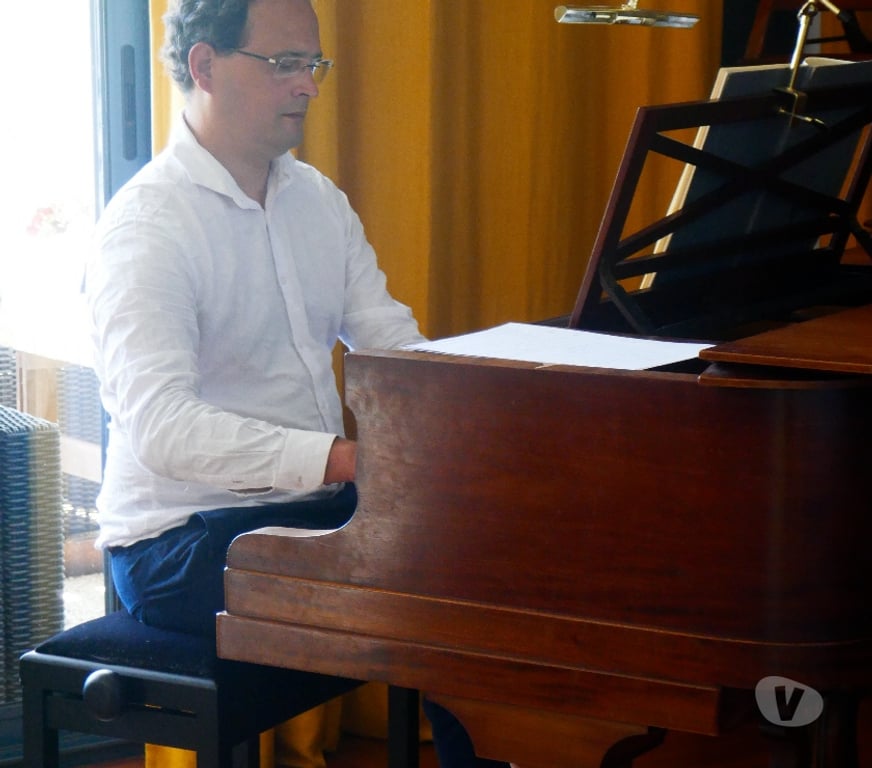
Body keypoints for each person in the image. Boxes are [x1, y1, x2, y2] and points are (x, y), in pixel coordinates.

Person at [86, 1, 508, 766]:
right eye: (284, 64)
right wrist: (343, 461)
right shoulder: (146, 228)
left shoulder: (317, 200)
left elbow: (391, 345)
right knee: (442, 573)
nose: (308, 86)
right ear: (205, 67)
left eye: (312, 65)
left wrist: (479, 409)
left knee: (486, 538)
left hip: (306, 508)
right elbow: (163, 428)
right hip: (179, 542)